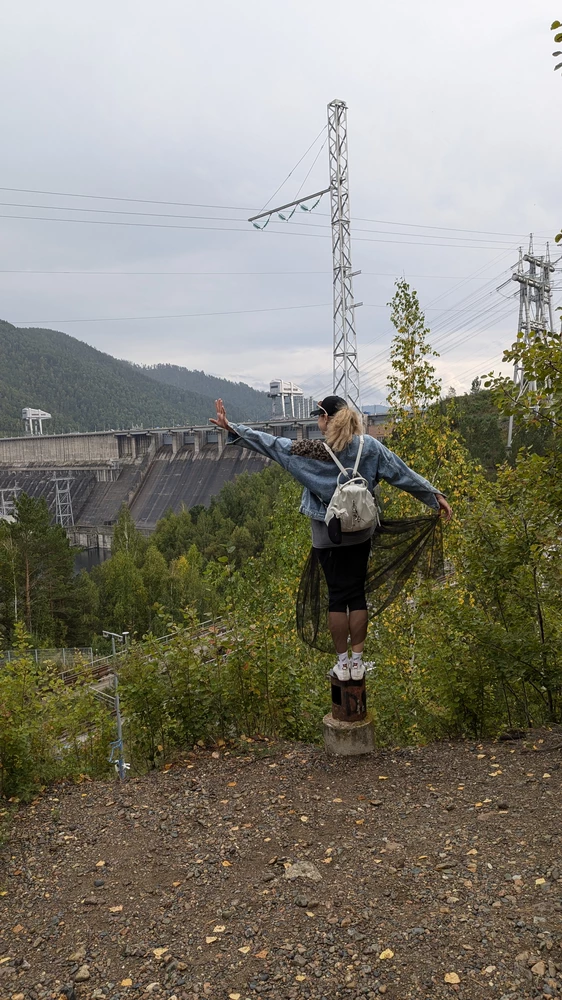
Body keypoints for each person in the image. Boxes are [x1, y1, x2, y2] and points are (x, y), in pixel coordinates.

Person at [210, 395, 451, 682]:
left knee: (337, 597)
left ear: (326, 418)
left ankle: (342, 665)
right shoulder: (369, 447)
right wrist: (433, 495)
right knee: (357, 594)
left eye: (318, 416)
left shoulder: (311, 451)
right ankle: (358, 663)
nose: (317, 421)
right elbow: (401, 473)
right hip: (361, 532)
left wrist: (233, 428)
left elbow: (272, 445)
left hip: (327, 536)